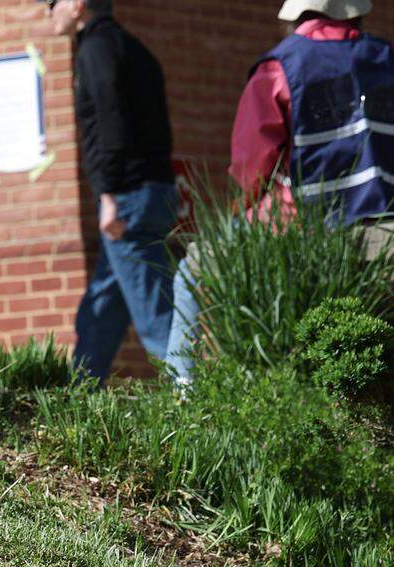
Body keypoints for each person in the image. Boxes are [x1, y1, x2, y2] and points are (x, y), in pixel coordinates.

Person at [165, 0, 394, 383]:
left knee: (191, 271)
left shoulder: (280, 66)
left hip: (302, 226)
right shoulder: (387, 59)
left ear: (297, 15)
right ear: (355, 12)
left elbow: (252, 165)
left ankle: (183, 390)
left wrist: (243, 208)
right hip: (385, 224)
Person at [41, 0, 178, 384]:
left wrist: (108, 196)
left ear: (77, 5)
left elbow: (109, 126)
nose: (48, 11)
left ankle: (194, 400)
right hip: (150, 190)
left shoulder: (95, 50)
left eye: (53, 3)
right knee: (101, 306)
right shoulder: (133, 48)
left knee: (154, 315)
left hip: (127, 197)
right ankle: (81, 396)